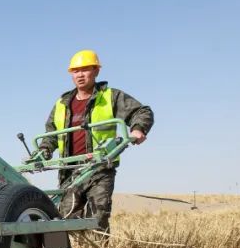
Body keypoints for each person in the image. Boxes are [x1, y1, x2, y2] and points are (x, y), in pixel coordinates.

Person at [38, 50, 154, 233]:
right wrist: (44, 150)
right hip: (69, 171)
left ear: (96, 71)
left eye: (85, 70)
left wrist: (138, 129)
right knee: (66, 218)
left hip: (99, 167)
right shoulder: (62, 103)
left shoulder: (110, 96)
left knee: (97, 218)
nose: (80, 75)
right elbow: (51, 132)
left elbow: (142, 111)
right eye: (76, 71)